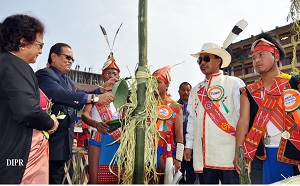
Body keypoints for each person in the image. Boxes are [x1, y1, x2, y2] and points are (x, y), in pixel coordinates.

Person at [35, 43, 116, 184]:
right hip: (49, 143)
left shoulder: (68, 80)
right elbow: (60, 94)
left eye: (72, 59)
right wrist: (97, 98)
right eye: (67, 57)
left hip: (63, 144)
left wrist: (101, 89)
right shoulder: (44, 74)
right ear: (54, 56)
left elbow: (82, 94)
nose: (71, 61)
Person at [233, 32, 300, 184]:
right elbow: (243, 121)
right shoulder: (248, 91)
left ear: (276, 56)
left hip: (294, 151)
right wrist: (239, 151)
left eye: (261, 55)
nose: (256, 61)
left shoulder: (294, 84)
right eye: (254, 58)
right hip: (263, 155)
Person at [0, 14, 59, 184]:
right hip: (14, 158)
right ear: (23, 42)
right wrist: (50, 122)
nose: (41, 51)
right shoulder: (14, 64)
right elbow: (26, 110)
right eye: (40, 45)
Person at [184, 42, 245, 184]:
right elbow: (192, 120)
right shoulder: (195, 90)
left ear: (219, 61)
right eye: (200, 60)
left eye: (206, 59)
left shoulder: (234, 83)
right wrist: (188, 145)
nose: (202, 63)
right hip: (203, 155)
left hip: (229, 153)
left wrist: (241, 149)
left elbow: (243, 117)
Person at [82, 52, 122, 184]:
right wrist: (96, 124)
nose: (112, 76)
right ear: (102, 76)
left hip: (118, 141)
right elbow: (84, 115)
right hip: (98, 138)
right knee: (96, 180)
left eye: (115, 74)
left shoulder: (123, 96)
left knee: (116, 178)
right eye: (108, 73)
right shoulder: (95, 94)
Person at [152, 66, 184, 183]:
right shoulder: (143, 105)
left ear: (167, 85)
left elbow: (180, 136)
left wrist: (178, 159)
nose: (155, 85)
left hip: (166, 153)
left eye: (158, 82)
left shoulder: (175, 107)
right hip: (146, 152)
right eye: (152, 81)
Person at [177, 82, 196, 184]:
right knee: (178, 175)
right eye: (183, 90)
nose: (185, 92)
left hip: (192, 147)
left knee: (191, 175)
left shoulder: (196, 107)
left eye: (188, 90)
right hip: (178, 147)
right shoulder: (174, 107)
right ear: (179, 92)